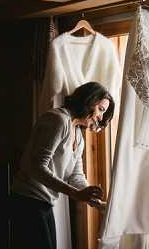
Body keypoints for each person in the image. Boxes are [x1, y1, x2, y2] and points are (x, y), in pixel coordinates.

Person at [10, 81, 115, 249]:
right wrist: (76, 194)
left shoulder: (78, 136)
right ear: (89, 101)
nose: (101, 117)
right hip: (27, 202)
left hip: (44, 204)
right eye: (101, 109)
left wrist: (96, 202)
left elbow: (76, 176)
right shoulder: (57, 120)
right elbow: (36, 167)